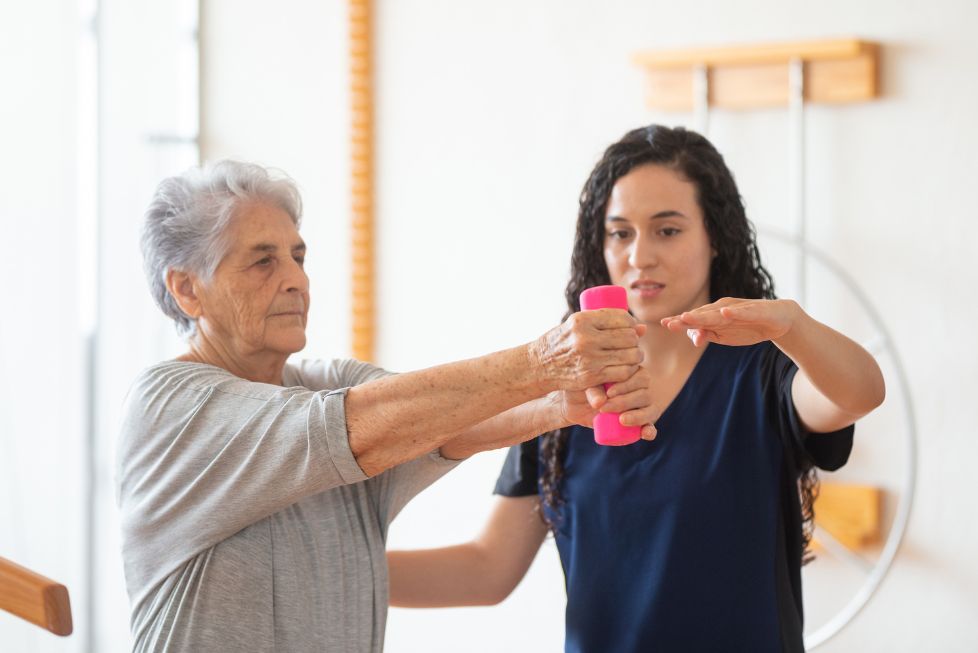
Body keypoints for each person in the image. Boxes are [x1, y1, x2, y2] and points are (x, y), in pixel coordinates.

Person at [116, 160, 659, 653]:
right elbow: (354, 428)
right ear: (188, 290)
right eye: (263, 262)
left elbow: (441, 424)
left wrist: (556, 405)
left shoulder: (329, 382)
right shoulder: (168, 406)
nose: (297, 280)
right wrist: (542, 363)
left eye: (298, 256)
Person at [386, 125, 886, 653]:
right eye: (620, 233)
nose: (639, 256)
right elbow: (488, 569)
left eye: (667, 230)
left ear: (715, 237)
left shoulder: (762, 373)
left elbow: (858, 393)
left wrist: (790, 324)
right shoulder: (565, 394)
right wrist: (334, 567)